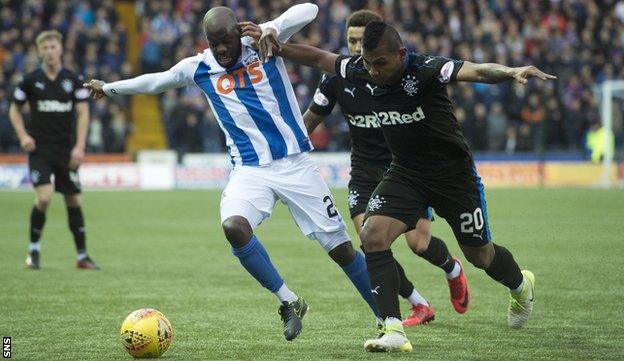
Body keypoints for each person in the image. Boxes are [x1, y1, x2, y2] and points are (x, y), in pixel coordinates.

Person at [84, 4, 383, 342]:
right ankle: (289, 301)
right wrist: (110, 88)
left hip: (295, 164)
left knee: (341, 249)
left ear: (239, 33)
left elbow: (310, 9)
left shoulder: (260, 41)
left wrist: (271, 29)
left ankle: (385, 319)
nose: (222, 49)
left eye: (227, 41)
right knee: (234, 227)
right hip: (249, 170)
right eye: (215, 43)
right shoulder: (199, 67)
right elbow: (156, 81)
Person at [269, 21, 555, 352]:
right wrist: (280, 48)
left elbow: (475, 71)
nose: (373, 71)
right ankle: (393, 329)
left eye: (380, 63)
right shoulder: (360, 69)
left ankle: (521, 286)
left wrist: (510, 71)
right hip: (406, 173)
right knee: (372, 236)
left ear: (401, 54)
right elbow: (320, 58)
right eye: (368, 62)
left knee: (481, 255)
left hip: (454, 177)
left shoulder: (426, 69)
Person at [302, 10, 470, 327]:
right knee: (370, 240)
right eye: (350, 40)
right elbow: (311, 119)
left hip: (406, 168)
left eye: (360, 41)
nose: (354, 47)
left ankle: (453, 269)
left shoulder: (400, 76)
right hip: (365, 170)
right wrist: (286, 146)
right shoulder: (339, 77)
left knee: (418, 244)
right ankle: (419, 304)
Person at [9, 30, 99, 270]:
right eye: (45, 48)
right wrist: (23, 136)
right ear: (40, 51)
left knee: (73, 199)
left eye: (53, 47)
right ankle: (33, 250)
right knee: (45, 197)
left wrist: (80, 147)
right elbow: (13, 110)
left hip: (66, 149)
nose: (49, 51)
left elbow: (83, 113)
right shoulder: (30, 81)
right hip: (40, 149)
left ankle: (82, 255)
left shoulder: (74, 79)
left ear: (60, 49)